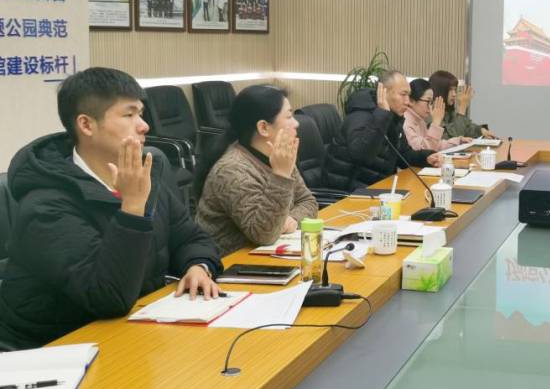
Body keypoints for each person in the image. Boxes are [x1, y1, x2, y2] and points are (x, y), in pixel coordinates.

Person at [0, 68, 222, 350]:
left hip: (134, 329)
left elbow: (192, 238)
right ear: (86, 125)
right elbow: (107, 297)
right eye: (129, 115)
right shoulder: (45, 205)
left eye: (141, 114)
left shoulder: (143, 175)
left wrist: (198, 267)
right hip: (57, 348)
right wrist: (132, 207)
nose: (144, 126)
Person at [195, 86, 317, 257]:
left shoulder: (278, 156)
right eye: (289, 116)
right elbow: (264, 234)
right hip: (232, 264)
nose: (296, 123)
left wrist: (293, 219)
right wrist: (281, 175)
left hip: (270, 256)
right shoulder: (231, 170)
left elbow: (308, 201)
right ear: (263, 127)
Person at [324, 70, 442, 190]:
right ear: (384, 93)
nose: (407, 101)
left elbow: (403, 155)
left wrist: (426, 158)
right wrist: (382, 116)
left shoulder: (392, 117)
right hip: (348, 191)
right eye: (403, 94)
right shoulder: (360, 115)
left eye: (408, 95)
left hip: (376, 187)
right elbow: (361, 155)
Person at [403, 78, 471, 152]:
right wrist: (436, 123)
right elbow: (425, 149)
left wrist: (458, 141)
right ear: (411, 101)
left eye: (431, 102)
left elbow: (436, 145)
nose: (430, 107)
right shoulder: (405, 122)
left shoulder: (420, 120)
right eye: (428, 101)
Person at [428, 70, 496, 141]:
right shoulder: (431, 113)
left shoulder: (448, 111)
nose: (454, 94)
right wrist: (462, 108)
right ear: (440, 91)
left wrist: (481, 131)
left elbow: (466, 127)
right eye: (450, 90)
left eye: (455, 90)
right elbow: (454, 138)